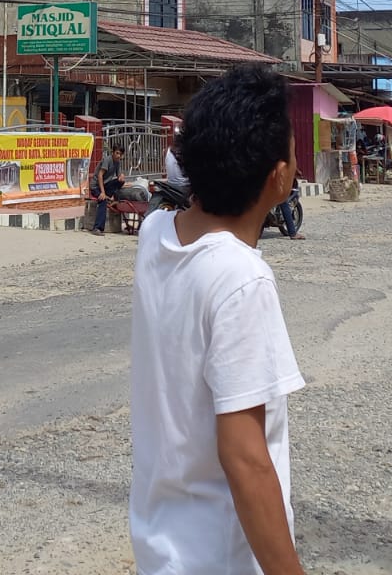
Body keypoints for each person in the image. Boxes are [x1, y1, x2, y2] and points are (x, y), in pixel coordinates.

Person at [130, 65, 307, 575]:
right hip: (218, 557)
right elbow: (245, 458)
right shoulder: (242, 278)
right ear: (278, 176)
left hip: (160, 546)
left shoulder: (154, 234)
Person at [88, 141, 127, 236]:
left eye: (120, 154)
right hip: (96, 186)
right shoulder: (107, 160)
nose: (118, 156)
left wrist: (121, 177)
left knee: (121, 182)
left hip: (105, 186)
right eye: (117, 153)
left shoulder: (117, 162)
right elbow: (100, 175)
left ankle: (111, 197)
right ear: (113, 152)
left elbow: (118, 176)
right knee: (103, 200)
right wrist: (102, 192)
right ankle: (97, 228)